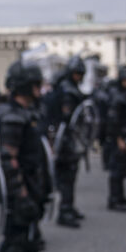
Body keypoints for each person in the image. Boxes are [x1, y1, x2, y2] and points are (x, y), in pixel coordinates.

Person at [0, 58, 59, 252]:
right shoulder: (12, 116)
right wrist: (21, 197)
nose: (40, 88)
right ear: (24, 85)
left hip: (33, 186)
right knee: (14, 242)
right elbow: (9, 161)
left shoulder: (30, 112)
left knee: (31, 238)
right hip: (18, 191)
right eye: (35, 84)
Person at [51, 55, 88, 227]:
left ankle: (69, 207)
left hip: (71, 138)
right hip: (65, 139)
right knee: (66, 176)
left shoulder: (70, 88)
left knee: (71, 176)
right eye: (77, 73)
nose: (79, 77)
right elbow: (68, 117)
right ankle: (64, 211)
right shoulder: (67, 90)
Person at [106, 66, 126, 212]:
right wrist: (118, 138)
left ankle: (120, 196)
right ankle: (114, 199)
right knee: (116, 170)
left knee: (123, 168)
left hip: (124, 135)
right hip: (118, 138)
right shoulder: (117, 95)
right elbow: (113, 120)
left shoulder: (125, 94)